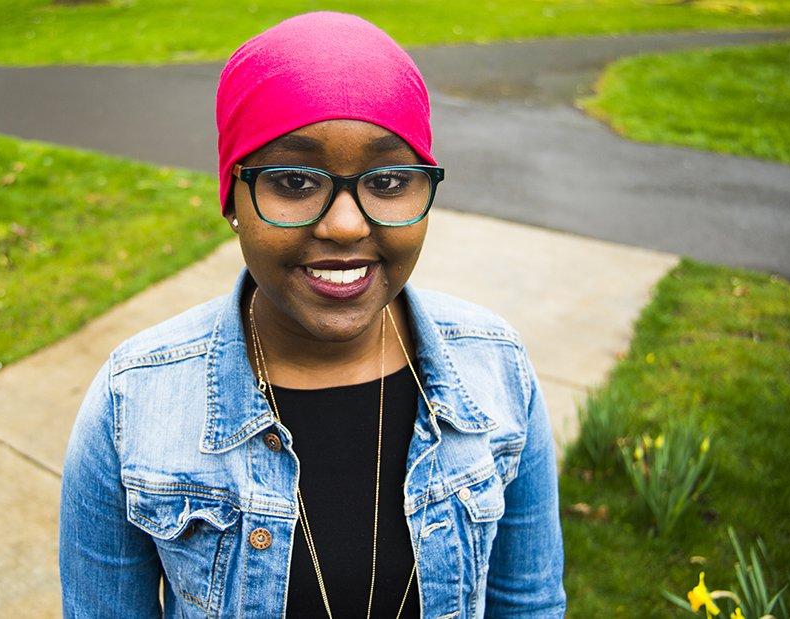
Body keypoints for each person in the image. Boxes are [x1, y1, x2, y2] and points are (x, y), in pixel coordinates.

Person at [59, 11, 565, 618]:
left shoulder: (497, 370)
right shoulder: (134, 404)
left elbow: (529, 603)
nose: (346, 224)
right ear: (232, 200)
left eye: (388, 179)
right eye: (294, 180)